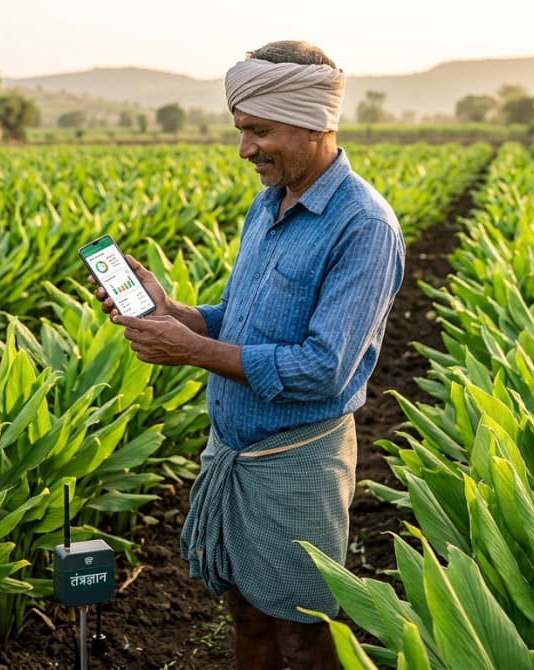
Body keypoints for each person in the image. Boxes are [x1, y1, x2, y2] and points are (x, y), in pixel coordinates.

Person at [89, 40, 405, 669]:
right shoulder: (267, 204)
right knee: (246, 615)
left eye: (259, 130)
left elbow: (324, 369)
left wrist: (192, 351)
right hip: (232, 446)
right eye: (241, 129)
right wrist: (174, 312)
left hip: (296, 462)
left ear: (313, 123)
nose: (244, 149)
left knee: (305, 637)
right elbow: (240, 319)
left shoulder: (363, 225)